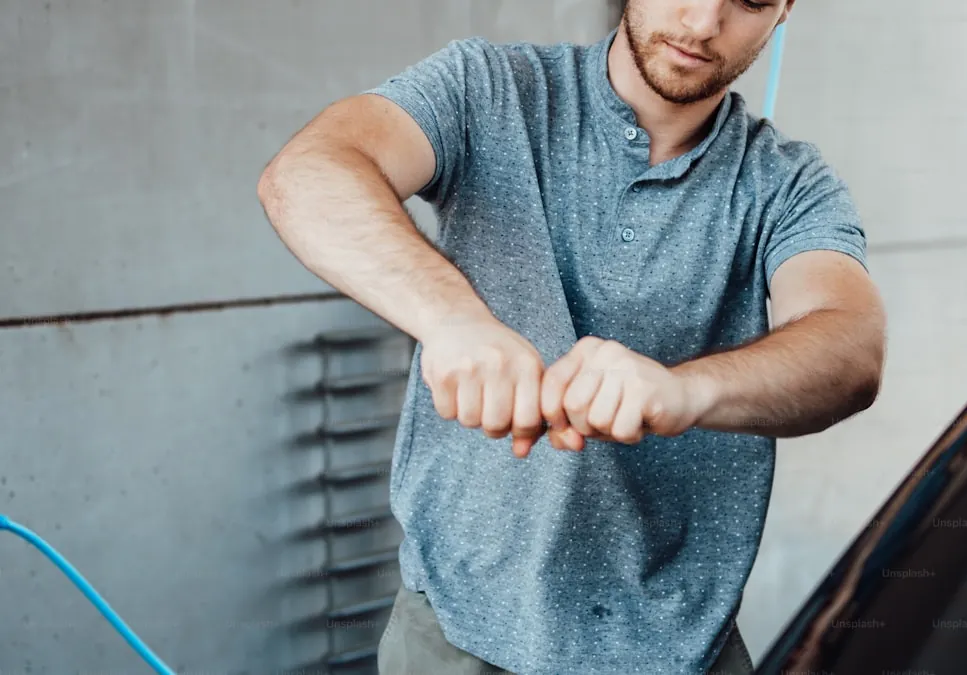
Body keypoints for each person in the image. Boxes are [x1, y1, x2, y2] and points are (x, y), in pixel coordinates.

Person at [257, 0, 887, 672]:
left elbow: (850, 347)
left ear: (784, 9)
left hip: (676, 653)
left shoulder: (789, 182)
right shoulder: (488, 87)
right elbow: (307, 172)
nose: (705, 22)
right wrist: (453, 319)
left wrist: (685, 389)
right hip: (454, 635)